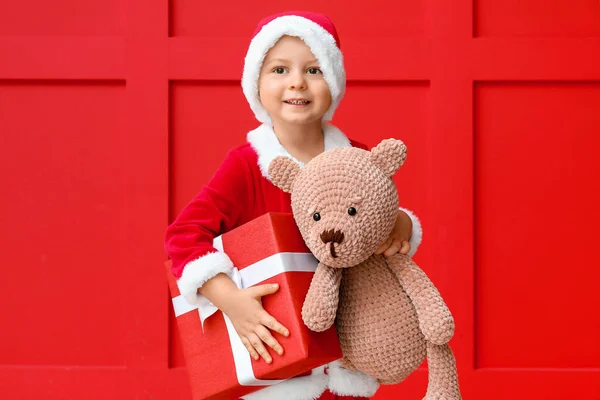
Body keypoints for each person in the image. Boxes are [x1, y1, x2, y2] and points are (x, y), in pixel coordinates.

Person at [165, 11, 423, 400]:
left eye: (314, 70)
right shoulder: (247, 166)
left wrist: (401, 224)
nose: (297, 82)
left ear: (333, 82)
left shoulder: (357, 158)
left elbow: (380, 218)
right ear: (256, 83)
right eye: (280, 69)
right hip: (279, 367)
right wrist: (230, 300)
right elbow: (183, 236)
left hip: (347, 360)